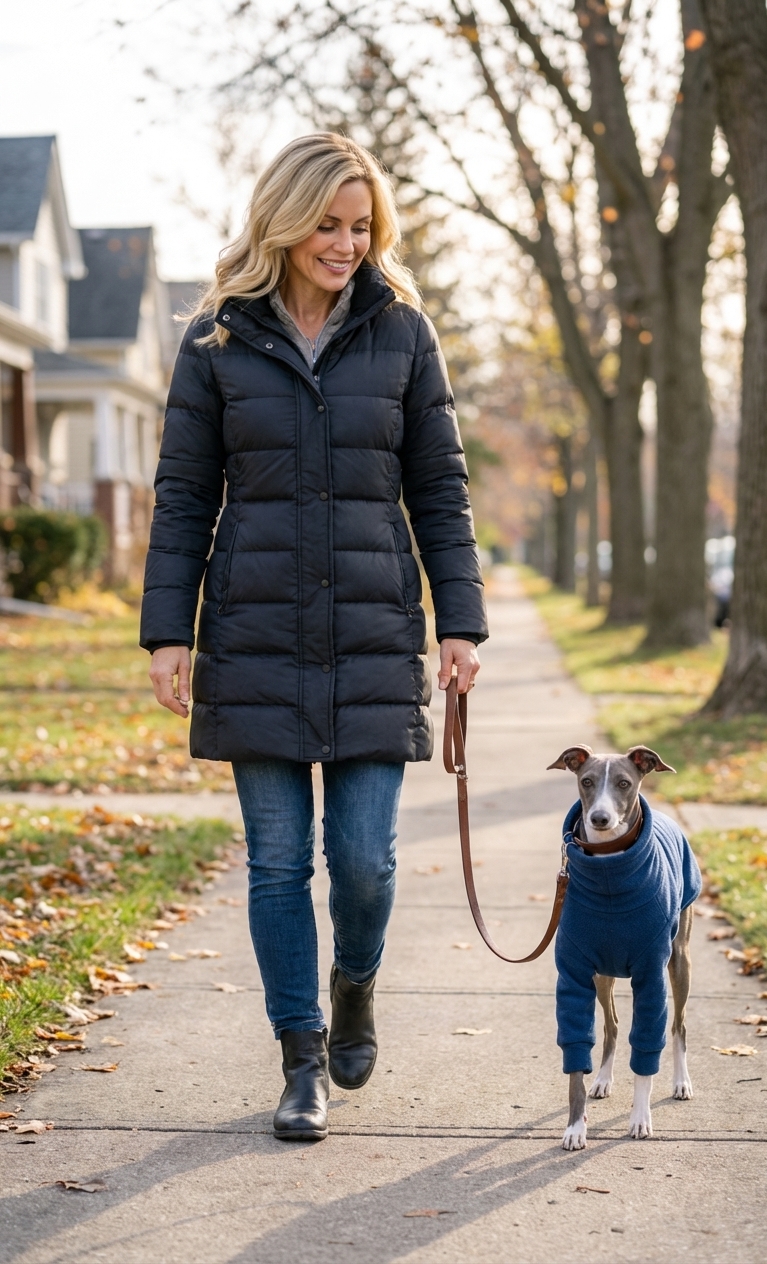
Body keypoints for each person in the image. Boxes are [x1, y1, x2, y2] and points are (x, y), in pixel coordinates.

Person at [140, 133, 487, 1142]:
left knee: (367, 860)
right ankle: (301, 1059)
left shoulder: (403, 332)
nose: (346, 243)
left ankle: (356, 988)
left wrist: (458, 621)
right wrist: (170, 634)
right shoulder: (216, 337)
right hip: (253, 633)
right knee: (277, 861)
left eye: (360, 224)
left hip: (375, 631)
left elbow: (441, 488)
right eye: (328, 224)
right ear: (285, 225)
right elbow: (182, 496)